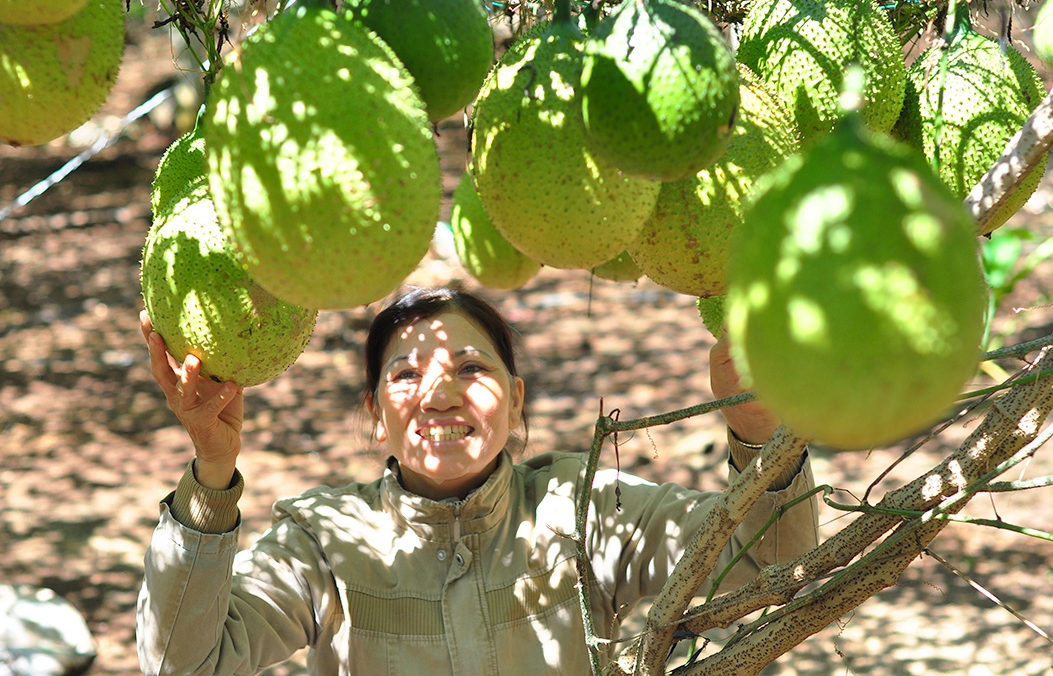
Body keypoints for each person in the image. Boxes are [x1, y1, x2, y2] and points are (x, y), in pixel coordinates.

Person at [136, 285, 818, 676]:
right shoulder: (324, 542)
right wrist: (211, 474)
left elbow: (769, 567)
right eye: (406, 375)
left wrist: (758, 432)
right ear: (376, 416)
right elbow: (183, 665)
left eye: (471, 368)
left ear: (516, 403)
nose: (439, 395)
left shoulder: (582, 509)